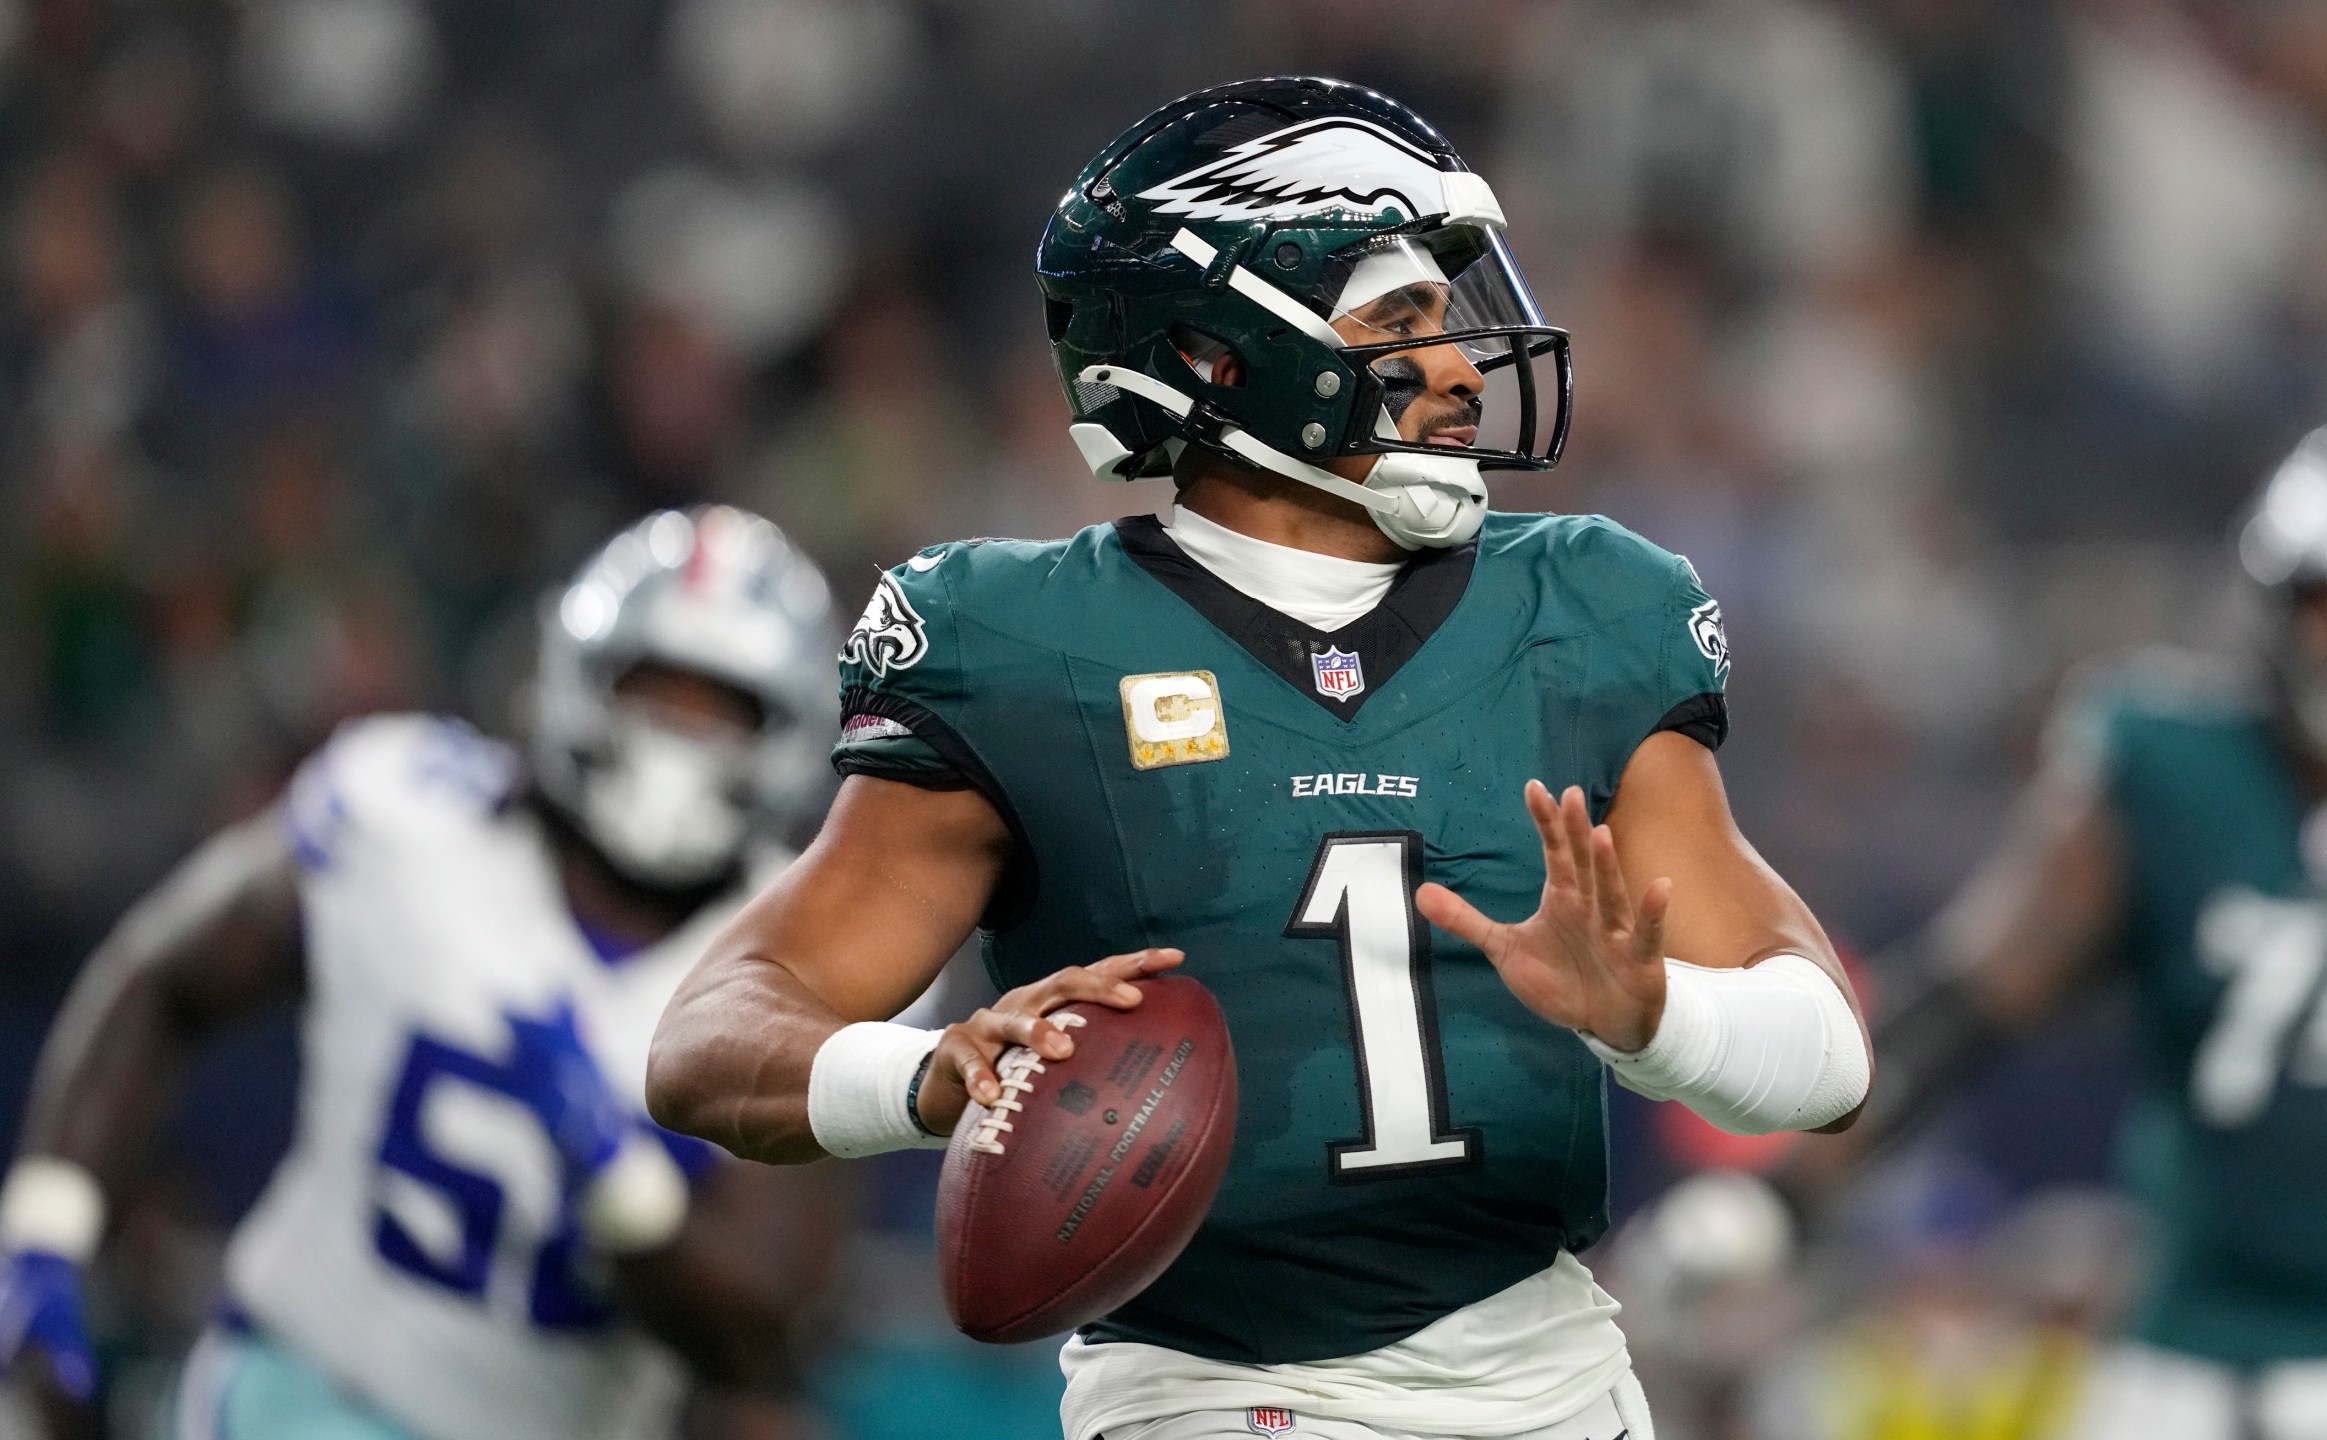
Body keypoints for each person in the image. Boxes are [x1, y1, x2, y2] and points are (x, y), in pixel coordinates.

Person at [646, 77, 1871, 1440]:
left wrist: (1655, 1021)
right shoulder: (1026, 645)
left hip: (1559, 1385)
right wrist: (928, 1078)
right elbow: (710, 1041)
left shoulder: (1583, 608)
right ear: (1223, 358)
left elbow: (1825, 1056)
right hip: (1219, 1399)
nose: (1463, 365)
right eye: (1401, 322)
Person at [0, 506, 846, 1440]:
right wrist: (45, 1240)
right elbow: (162, 981)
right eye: (655, 693)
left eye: (721, 711)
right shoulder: (405, 816)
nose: (678, 738)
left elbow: (759, 1333)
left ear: (790, 734)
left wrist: (618, 1182)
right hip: (298, 1390)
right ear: (578, 681)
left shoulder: (811, 953)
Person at [1839, 410, 2327, 1440]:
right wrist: (1778, 1194)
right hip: (2185, 1356)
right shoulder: (2166, 769)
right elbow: (1968, 998)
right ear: (2280, 612)